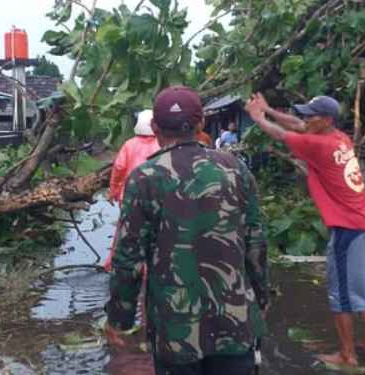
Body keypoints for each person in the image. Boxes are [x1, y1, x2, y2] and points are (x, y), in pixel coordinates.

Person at [104, 86, 270, 375]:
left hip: (174, 331)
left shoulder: (144, 178)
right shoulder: (236, 169)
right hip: (235, 322)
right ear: (201, 122)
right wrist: (261, 298)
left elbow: (128, 258)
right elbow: (256, 242)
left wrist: (120, 317)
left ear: (155, 127)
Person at [244, 93, 365, 367]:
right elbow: (297, 124)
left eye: (312, 115)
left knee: (340, 292)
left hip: (348, 229)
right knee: (357, 284)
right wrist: (270, 108)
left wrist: (258, 117)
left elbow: (282, 134)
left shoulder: (316, 146)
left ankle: (347, 355)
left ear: (326, 120)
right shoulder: (339, 138)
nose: (306, 119)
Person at [105, 109, 160, 272]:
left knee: (124, 231)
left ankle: (114, 265)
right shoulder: (161, 144)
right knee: (154, 233)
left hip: (129, 196)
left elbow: (119, 168)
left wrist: (114, 191)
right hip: (155, 197)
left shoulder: (129, 145)